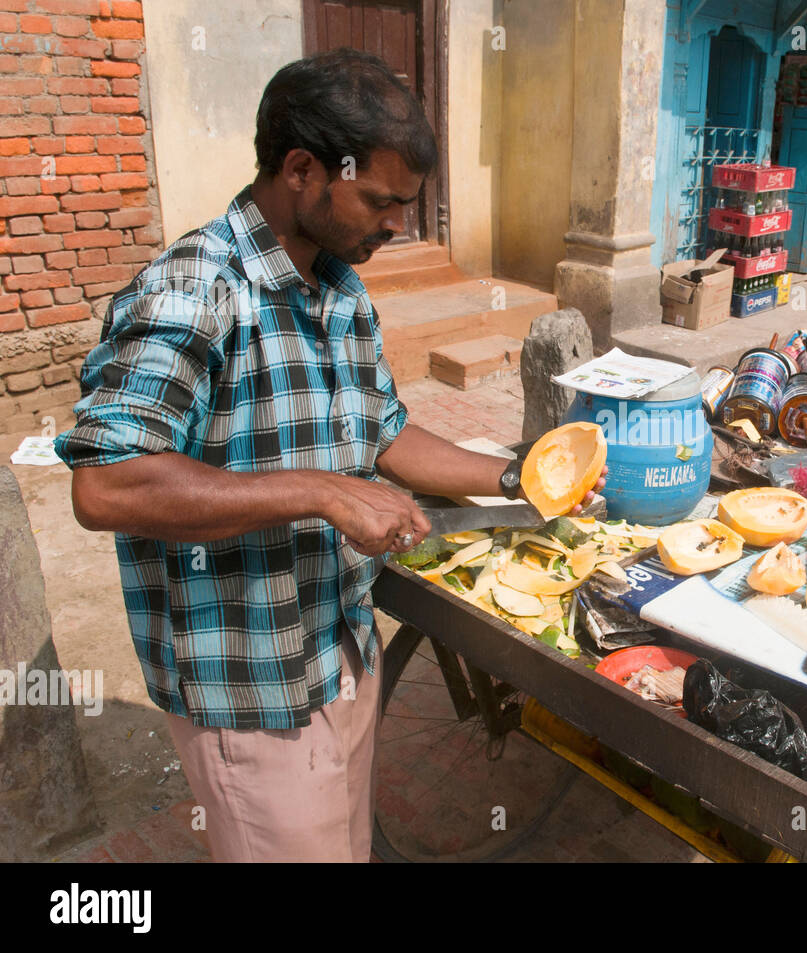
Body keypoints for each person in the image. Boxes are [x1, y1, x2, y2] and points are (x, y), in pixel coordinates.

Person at [55, 48, 600, 862]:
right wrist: (322, 491)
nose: (397, 225)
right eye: (381, 201)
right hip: (253, 688)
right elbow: (105, 486)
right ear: (303, 170)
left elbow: (382, 430)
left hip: (341, 646)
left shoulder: (339, 286)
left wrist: (515, 477)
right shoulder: (196, 287)